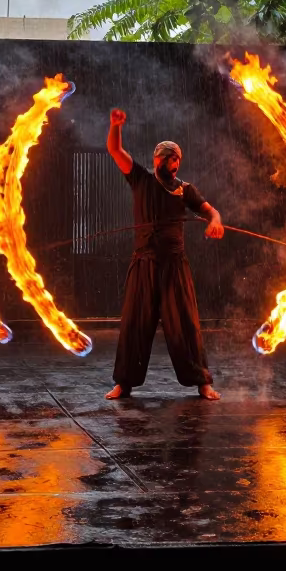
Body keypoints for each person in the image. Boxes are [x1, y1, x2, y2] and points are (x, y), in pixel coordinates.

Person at [104, 107, 223, 400]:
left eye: (178, 160)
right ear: (158, 159)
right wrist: (116, 126)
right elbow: (115, 149)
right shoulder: (141, 179)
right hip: (144, 263)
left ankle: (202, 382)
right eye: (171, 159)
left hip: (174, 265)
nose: (176, 164)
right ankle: (124, 383)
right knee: (135, 323)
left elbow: (211, 211)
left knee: (185, 323)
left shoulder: (185, 189)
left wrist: (216, 221)